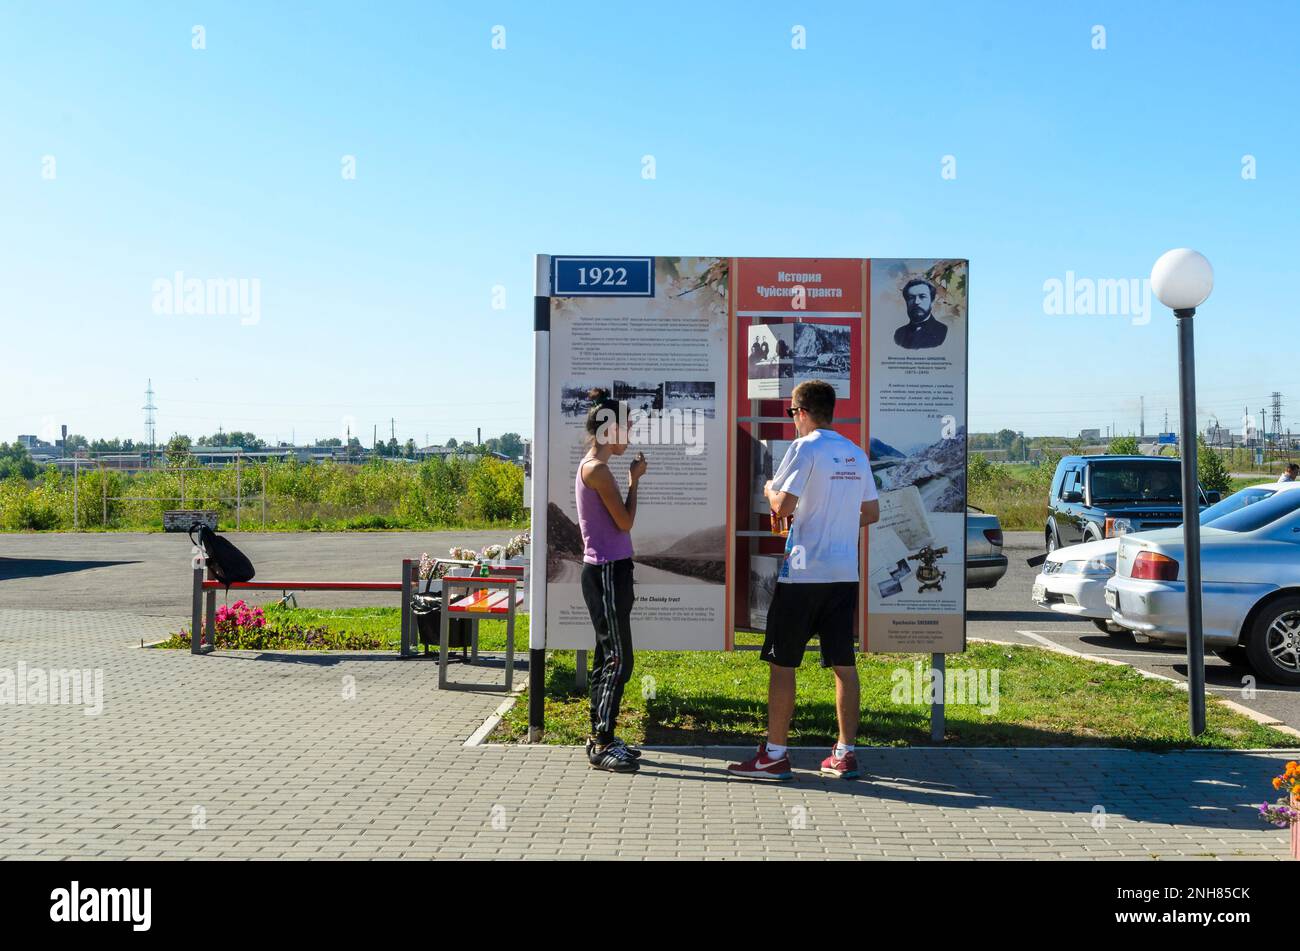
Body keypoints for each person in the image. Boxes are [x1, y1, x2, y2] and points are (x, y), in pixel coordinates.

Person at [728, 380, 880, 781]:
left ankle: (775, 754)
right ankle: (845, 753)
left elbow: (782, 505)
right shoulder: (854, 453)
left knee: (783, 664)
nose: (792, 421)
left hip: (803, 574)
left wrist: (769, 490)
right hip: (844, 573)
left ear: (802, 412)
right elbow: (871, 512)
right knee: (843, 665)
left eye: (792, 413)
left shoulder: (804, 447)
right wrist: (835, 516)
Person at [575, 388, 647, 772]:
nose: (631, 432)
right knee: (619, 659)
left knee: (608, 657)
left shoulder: (596, 467)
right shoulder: (597, 470)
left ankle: (602, 734)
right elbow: (625, 522)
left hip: (611, 570)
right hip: (605, 572)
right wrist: (635, 481)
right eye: (627, 425)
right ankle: (601, 741)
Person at [893, 278, 948, 350]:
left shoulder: (943, 331)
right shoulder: (899, 334)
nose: (916, 302)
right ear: (906, 302)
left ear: (932, 302)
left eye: (922, 296)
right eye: (911, 297)